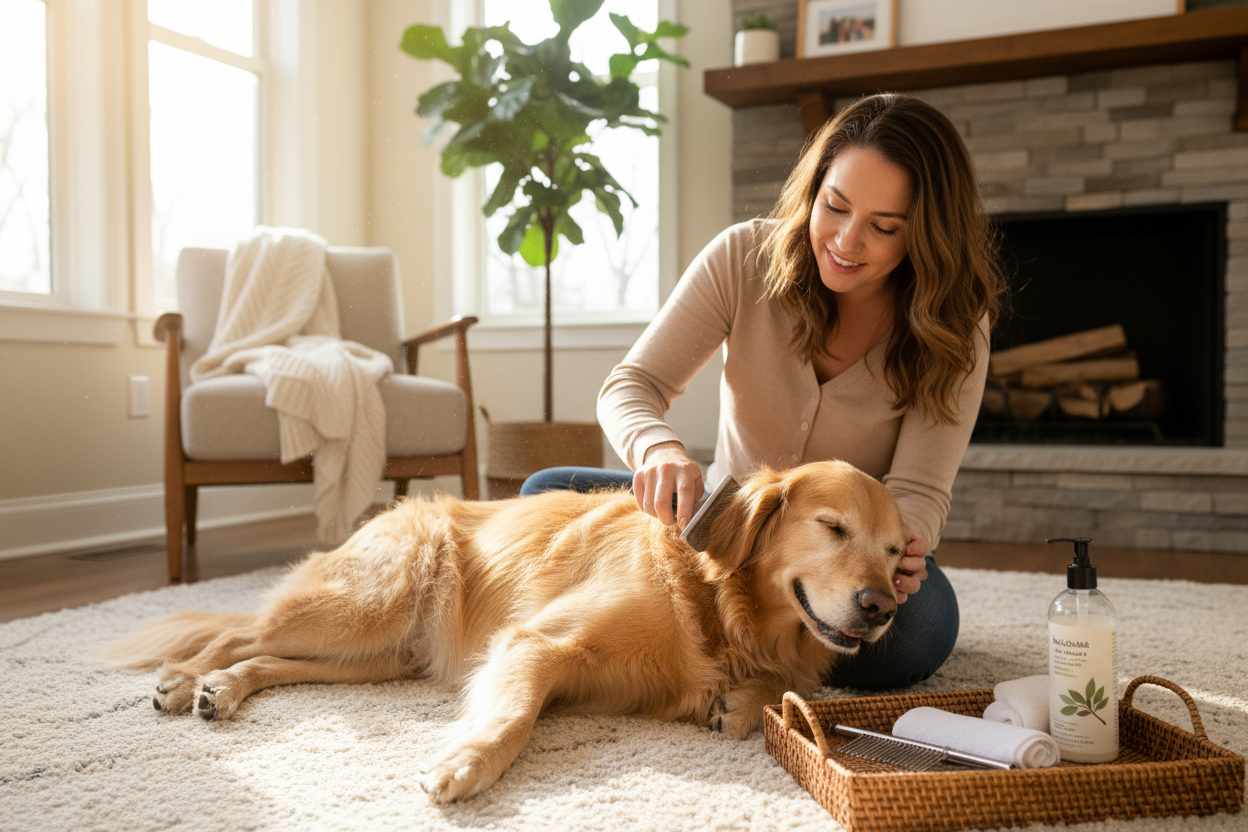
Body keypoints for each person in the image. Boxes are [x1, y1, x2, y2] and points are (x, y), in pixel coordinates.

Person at [521, 93, 1007, 690]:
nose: (846, 242)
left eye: (883, 228)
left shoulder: (957, 322)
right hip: (729, 527)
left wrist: (907, 550)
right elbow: (633, 385)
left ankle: (748, 647)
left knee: (921, 636)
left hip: (852, 557)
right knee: (546, 494)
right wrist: (657, 451)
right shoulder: (742, 256)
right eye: (835, 206)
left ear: (926, 237)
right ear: (815, 189)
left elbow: (919, 490)